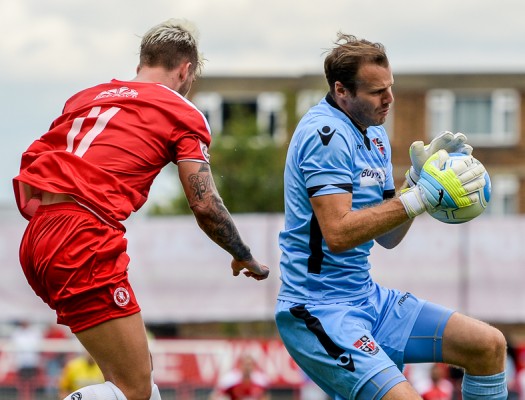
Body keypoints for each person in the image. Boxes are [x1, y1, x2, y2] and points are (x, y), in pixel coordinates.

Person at [13, 18, 269, 400]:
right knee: (135, 390)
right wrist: (243, 254)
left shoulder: (86, 96)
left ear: (141, 64)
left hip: (38, 235)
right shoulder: (182, 111)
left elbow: (40, 157)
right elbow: (204, 203)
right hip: (81, 235)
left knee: (137, 385)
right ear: (186, 71)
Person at [274, 33, 508, 400]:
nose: (390, 99)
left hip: (367, 299)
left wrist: (415, 182)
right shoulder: (325, 135)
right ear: (341, 91)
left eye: (390, 87)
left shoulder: (377, 137)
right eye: (376, 92)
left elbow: (388, 237)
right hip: (318, 312)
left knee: (488, 345)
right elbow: (337, 233)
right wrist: (417, 198)